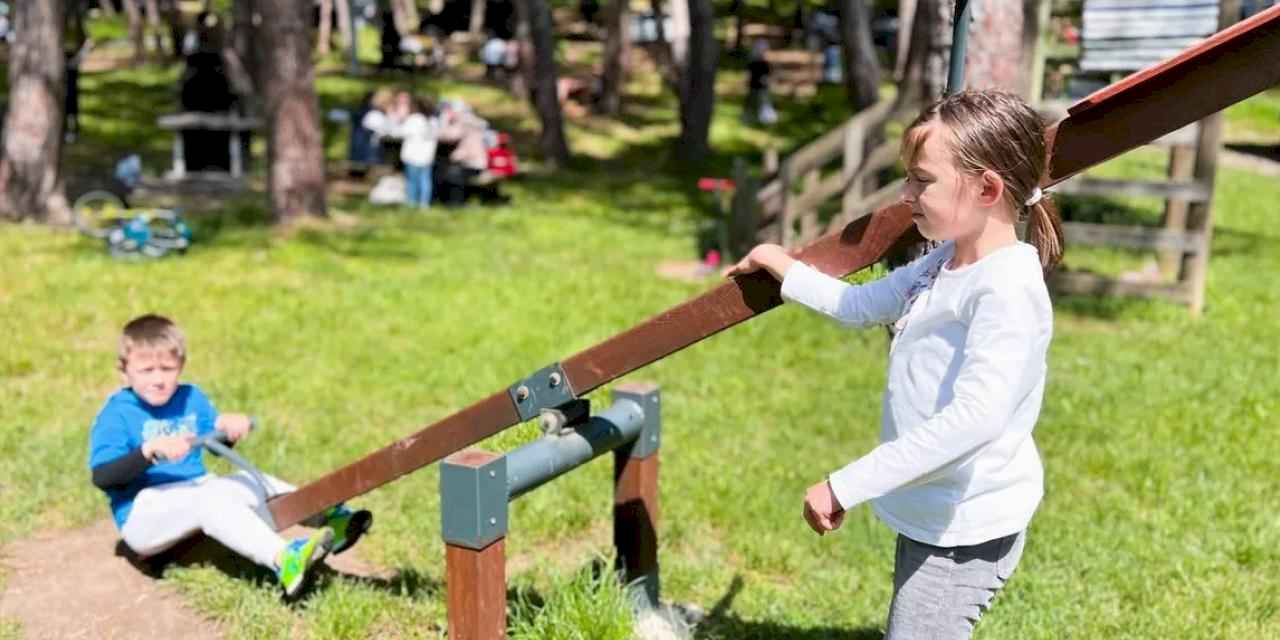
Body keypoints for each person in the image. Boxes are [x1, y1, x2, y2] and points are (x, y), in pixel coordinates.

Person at [723, 90, 1064, 640]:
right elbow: (859, 305)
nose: (907, 194)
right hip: (935, 506)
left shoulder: (1005, 289)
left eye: (922, 180)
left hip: (964, 524)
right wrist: (780, 264)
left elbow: (976, 418)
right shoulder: (942, 263)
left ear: (987, 188)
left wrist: (846, 484)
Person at [88, 314, 374, 598]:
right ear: (124, 371)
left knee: (247, 480)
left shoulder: (190, 397)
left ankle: (329, 516)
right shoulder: (116, 414)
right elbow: (103, 477)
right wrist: (148, 451)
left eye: (167, 368)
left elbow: (214, 442)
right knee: (209, 499)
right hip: (146, 514)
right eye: (147, 370)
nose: (159, 379)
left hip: (197, 488)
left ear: (181, 366)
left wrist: (227, 428)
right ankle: (282, 559)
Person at [390, 95, 441, 208]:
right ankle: (424, 203)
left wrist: (396, 121)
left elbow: (399, 133)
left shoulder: (415, 119)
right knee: (425, 181)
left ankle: (411, 203)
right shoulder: (434, 121)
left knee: (412, 181)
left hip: (413, 155)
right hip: (427, 156)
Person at [745, 40, 776, 125]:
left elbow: (768, 75)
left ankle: (765, 118)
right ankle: (749, 117)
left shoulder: (764, 64)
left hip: (762, 86)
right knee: (751, 102)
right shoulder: (753, 63)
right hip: (754, 85)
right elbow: (749, 74)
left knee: (764, 102)